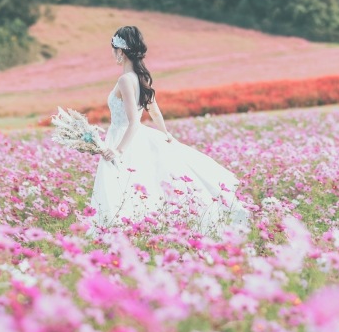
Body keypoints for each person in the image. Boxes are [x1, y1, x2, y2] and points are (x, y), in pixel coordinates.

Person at [87, 25, 248, 234]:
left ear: (121, 51)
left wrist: (118, 150)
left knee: (122, 187)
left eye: (113, 48)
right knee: (141, 186)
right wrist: (165, 133)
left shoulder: (125, 80)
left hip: (123, 139)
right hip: (134, 137)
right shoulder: (141, 77)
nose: (112, 53)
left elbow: (133, 121)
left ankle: (118, 231)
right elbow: (154, 111)